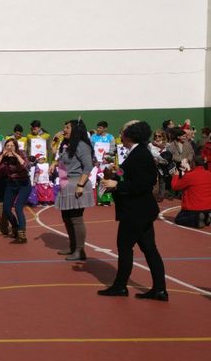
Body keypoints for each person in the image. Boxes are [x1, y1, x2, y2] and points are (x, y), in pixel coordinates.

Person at [99, 121, 168, 300]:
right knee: (149, 248)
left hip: (136, 211)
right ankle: (159, 289)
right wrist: (116, 173)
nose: (121, 135)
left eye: (123, 132)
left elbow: (143, 183)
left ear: (131, 135)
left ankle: (120, 286)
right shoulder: (136, 152)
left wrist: (116, 184)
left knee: (124, 247)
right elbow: (129, 174)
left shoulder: (141, 154)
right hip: (141, 210)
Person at [53, 120, 94, 260]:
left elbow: (88, 166)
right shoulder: (67, 145)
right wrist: (55, 144)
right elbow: (59, 158)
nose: (64, 130)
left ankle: (80, 250)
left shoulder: (81, 145)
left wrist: (80, 185)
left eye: (67, 127)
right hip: (66, 183)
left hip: (76, 183)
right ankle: (73, 246)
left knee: (76, 218)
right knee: (66, 217)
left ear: (76, 130)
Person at [0, 139, 31, 243]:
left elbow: (27, 166)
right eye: (7, 145)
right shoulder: (4, 157)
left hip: (24, 184)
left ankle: (22, 232)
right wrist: (2, 156)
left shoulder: (21, 153)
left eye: (12, 145)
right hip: (11, 184)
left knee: (18, 207)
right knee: (6, 208)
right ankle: (15, 227)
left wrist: (15, 155)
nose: (9, 147)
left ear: (16, 147)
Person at [169, 155, 211, 227]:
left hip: (193, 207)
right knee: (202, 211)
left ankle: (196, 219)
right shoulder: (209, 174)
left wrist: (175, 175)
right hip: (208, 206)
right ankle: (206, 216)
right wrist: (187, 172)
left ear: (193, 163)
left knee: (179, 219)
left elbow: (175, 186)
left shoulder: (190, 176)